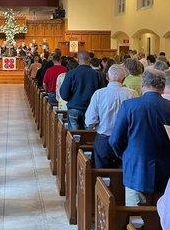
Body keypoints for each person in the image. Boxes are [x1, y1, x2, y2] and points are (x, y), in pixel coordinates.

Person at [109, 68, 170, 206]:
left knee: (136, 218)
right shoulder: (168, 107)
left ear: (143, 84)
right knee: (160, 218)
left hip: (136, 168)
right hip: (165, 171)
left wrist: (125, 155)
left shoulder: (130, 106)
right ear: (162, 86)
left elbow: (114, 140)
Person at [85, 64, 136, 168]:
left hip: (104, 140)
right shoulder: (132, 94)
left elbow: (90, 121)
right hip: (126, 141)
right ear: (124, 79)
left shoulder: (99, 94)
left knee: (103, 177)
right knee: (124, 174)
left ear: (107, 77)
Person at [60, 51, 101, 130]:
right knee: (87, 138)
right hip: (90, 109)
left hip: (74, 107)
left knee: (73, 138)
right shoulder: (96, 74)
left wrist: (72, 99)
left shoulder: (71, 73)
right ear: (89, 60)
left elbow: (64, 94)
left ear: (78, 60)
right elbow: (100, 93)